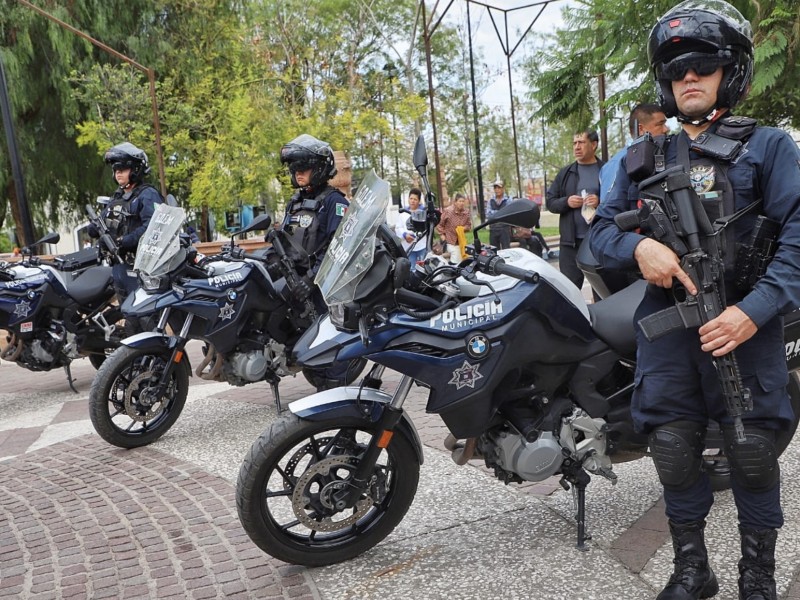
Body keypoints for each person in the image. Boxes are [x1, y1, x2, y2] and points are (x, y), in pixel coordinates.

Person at [589, 2, 800, 598]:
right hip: (669, 327)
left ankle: (757, 579)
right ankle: (692, 571)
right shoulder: (644, 156)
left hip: (745, 326)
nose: (688, 77)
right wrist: (639, 248)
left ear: (730, 71)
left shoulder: (770, 147)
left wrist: (753, 311)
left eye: (703, 65)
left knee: (752, 451)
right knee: (673, 448)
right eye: (675, 68)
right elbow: (600, 233)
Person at [278, 133, 351, 390]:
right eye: (293, 167)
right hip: (295, 280)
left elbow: (338, 248)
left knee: (328, 339)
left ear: (319, 167)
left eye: (303, 167)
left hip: (322, 287)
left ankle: (335, 391)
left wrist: (311, 280)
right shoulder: (295, 202)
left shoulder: (334, 202)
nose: (297, 172)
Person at [89, 142, 163, 298]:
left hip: (140, 269)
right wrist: (95, 228)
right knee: (125, 310)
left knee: (141, 311)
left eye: (122, 169)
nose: (118, 174)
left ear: (136, 169)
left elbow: (154, 228)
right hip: (118, 268)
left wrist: (124, 241)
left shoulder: (148, 195)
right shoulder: (117, 198)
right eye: (115, 170)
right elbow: (98, 226)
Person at [546, 129, 604, 290]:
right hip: (570, 244)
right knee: (570, 291)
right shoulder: (565, 173)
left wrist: (600, 201)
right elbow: (550, 202)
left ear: (594, 145)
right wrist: (567, 202)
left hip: (598, 240)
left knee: (602, 291)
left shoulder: (606, 170)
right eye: (574, 143)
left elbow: (618, 199)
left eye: (581, 142)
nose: (577, 147)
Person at [600, 103, 669, 201]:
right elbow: (610, 205)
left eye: (665, 124)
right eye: (660, 124)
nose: (666, 129)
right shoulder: (618, 163)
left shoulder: (659, 154)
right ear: (641, 129)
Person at [435, 193, 472, 263]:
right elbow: (440, 224)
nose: (461, 203)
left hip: (461, 241)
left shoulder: (466, 212)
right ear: (455, 202)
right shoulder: (448, 211)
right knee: (456, 257)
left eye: (463, 201)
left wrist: (462, 229)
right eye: (460, 201)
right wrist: (442, 235)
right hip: (449, 240)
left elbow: (469, 226)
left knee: (463, 259)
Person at [395, 187, 428, 264]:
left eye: (415, 199)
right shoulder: (403, 213)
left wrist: (414, 236)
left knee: (422, 268)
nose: (412, 201)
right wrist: (405, 235)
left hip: (421, 246)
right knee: (410, 268)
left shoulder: (423, 213)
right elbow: (398, 228)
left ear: (419, 201)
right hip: (408, 247)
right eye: (411, 198)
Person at [487, 179, 512, 249]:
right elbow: (488, 214)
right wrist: (500, 212)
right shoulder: (491, 200)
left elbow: (508, 213)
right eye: (495, 188)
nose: (497, 190)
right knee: (494, 250)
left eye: (499, 188)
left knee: (506, 249)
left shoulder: (508, 200)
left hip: (504, 229)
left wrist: (494, 213)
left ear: (503, 189)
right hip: (493, 229)